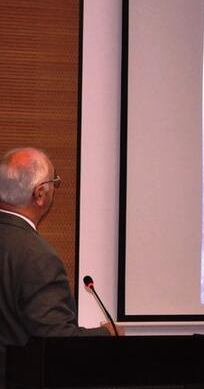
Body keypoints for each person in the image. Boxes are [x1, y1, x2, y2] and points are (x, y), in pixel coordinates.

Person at [0, 147, 122, 389]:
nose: (55, 187)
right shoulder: (37, 257)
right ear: (40, 193)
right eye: (54, 182)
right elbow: (55, 342)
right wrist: (108, 335)